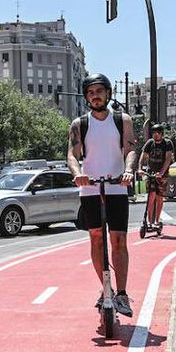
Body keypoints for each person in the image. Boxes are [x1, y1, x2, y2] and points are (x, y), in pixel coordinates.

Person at [67, 73, 137, 318]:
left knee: (118, 241)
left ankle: (122, 293)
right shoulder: (79, 124)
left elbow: (130, 150)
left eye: (99, 91)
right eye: (90, 92)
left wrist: (128, 171)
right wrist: (78, 174)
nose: (95, 95)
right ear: (87, 97)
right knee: (96, 238)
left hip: (117, 186)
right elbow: (72, 155)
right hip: (90, 188)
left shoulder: (122, 120)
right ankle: (105, 288)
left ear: (108, 93)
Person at [138, 123, 174, 229]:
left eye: (158, 133)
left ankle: (157, 220)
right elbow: (143, 156)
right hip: (151, 173)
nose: (156, 135)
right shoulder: (150, 143)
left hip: (162, 174)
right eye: (154, 133)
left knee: (159, 197)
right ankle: (149, 221)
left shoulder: (167, 143)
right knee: (151, 195)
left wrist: (162, 172)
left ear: (162, 134)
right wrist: (140, 168)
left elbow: (168, 159)